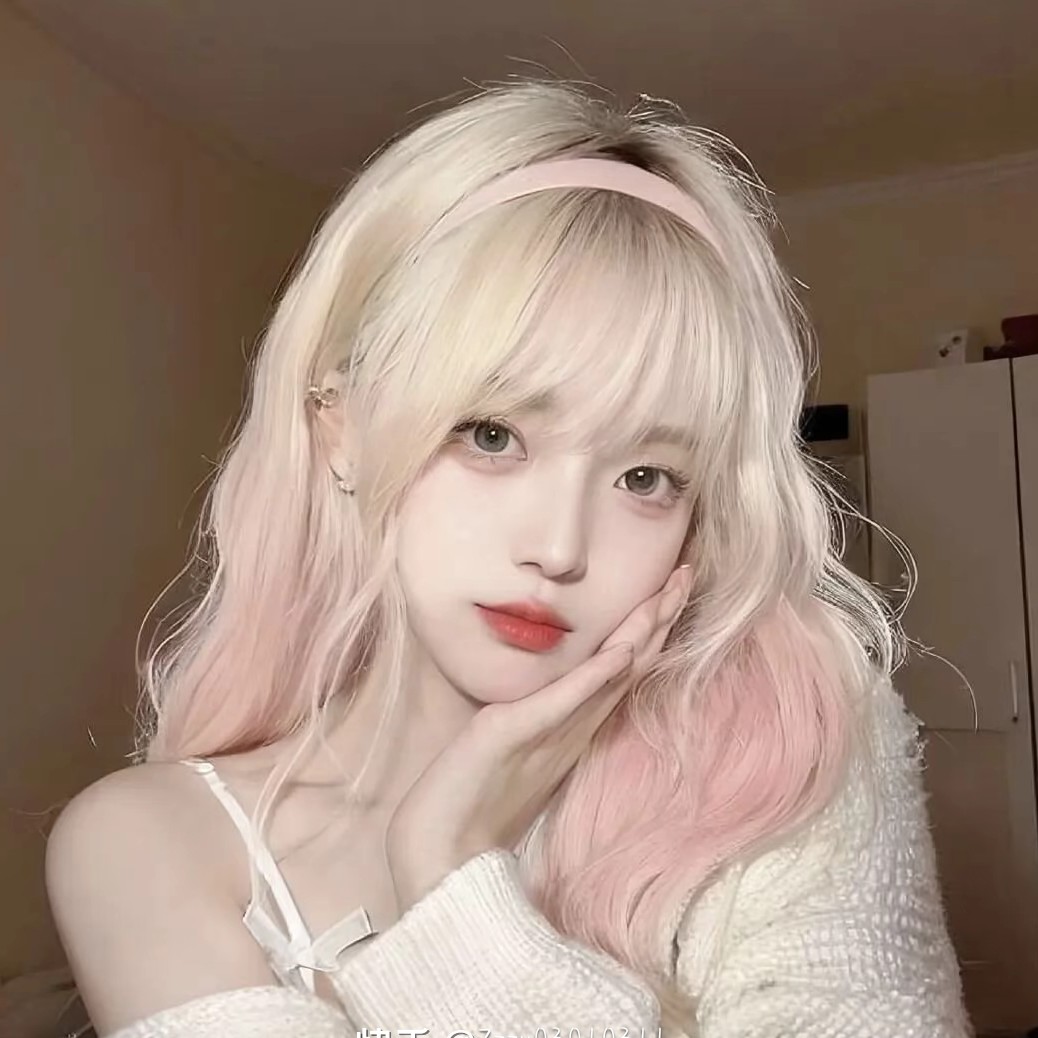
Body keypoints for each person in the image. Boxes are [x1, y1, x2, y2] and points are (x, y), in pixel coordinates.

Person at [45, 80, 970, 1038]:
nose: (559, 549)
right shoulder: (151, 848)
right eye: (492, 435)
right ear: (340, 429)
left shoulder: (792, 748)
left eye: (647, 477)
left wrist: (449, 874)